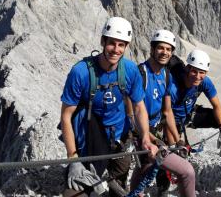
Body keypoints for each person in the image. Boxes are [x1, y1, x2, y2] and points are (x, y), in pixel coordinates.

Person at [60, 17, 158, 197]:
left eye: (122, 45)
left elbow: (139, 107)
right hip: (92, 138)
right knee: (77, 191)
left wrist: (145, 137)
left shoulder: (129, 70)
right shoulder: (81, 72)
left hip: (121, 137)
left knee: (118, 183)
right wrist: (72, 158)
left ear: (126, 46)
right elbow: (66, 116)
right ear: (103, 41)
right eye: (112, 43)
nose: (116, 49)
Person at [130, 29, 195, 197]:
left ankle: (135, 192)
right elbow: (133, 113)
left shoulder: (166, 75)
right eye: (160, 48)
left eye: (168, 49)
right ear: (152, 49)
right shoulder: (140, 74)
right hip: (140, 131)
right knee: (187, 171)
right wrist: (156, 140)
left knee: (145, 166)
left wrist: (178, 140)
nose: (164, 52)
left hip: (154, 128)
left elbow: (167, 112)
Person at [167, 49, 221, 161]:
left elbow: (217, 106)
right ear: (187, 68)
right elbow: (167, 115)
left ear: (206, 73)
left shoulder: (204, 81)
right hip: (171, 121)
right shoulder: (173, 87)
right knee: (174, 157)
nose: (197, 76)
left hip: (188, 114)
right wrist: (176, 141)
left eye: (202, 72)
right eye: (194, 71)